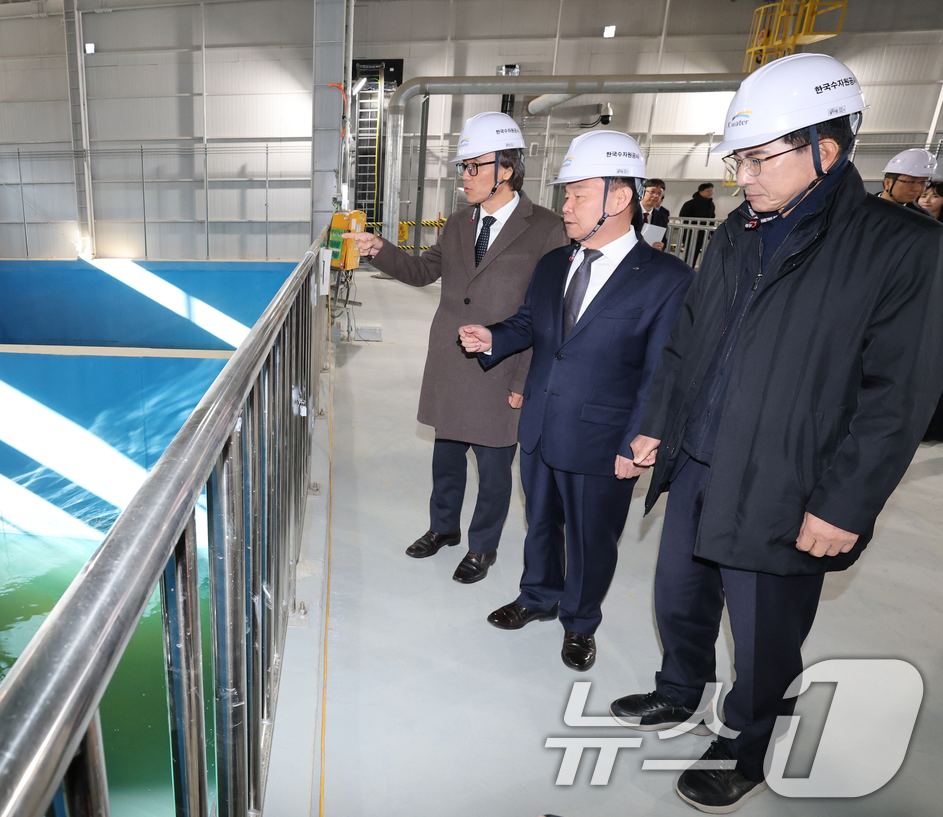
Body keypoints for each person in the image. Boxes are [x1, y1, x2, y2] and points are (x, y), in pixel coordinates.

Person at [608, 53, 943, 813]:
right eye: (739, 160)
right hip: (699, 462)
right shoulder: (736, 233)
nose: (744, 177)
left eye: (759, 159)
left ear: (827, 148)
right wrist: (657, 425)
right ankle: (679, 689)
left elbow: (898, 397)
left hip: (789, 482)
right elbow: (688, 344)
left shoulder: (901, 246)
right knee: (680, 597)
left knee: (764, 633)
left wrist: (844, 504)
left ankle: (749, 745)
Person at [457, 130, 693, 671]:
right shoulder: (553, 264)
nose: (566, 206)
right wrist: (493, 337)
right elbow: (530, 325)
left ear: (619, 198)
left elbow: (664, 368)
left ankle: (581, 621)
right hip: (541, 422)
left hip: (605, 437)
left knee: (591, 538)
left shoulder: (668, 279)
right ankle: (538, 595)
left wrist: (640, 438)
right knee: (541, 521)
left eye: (578, 195)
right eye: (567, 195)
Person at [342, 112, 565, 584]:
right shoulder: (460, 222)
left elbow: (546, 314)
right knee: (445, 459)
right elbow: (424, 271)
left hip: (501, 366)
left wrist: (524, 379)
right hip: (452, 361)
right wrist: (378, 249)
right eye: (462, 167)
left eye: (473, 166)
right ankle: (443, 528)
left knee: (494, 468)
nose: (464, 176)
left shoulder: (545, 228)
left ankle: (482, 547)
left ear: (506, 169)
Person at [877, 148, 936, 214]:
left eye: (923, 182)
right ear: (888, 183)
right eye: (911, 182)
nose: (917, 189)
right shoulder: (867, 207)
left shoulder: (923, 216)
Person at [678, 183, 716, 265]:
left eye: (711, 190)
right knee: (689, 252)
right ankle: (686, 268)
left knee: (696, 252)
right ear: (701, 192)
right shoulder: (690, 204)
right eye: (707, 191)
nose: (710, 192)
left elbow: (712, 219)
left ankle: (691, 268)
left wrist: (712, 233)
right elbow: (683, 217)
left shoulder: (711, 205)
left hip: (702, 233)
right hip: (690, 233)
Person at [637, 178, 671, 250]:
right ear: (643, 191)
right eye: (652, 192)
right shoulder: (629, 212)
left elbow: (663, 240)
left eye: (659, 194)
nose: (655, 196)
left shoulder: (662, 217)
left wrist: (660, 246)